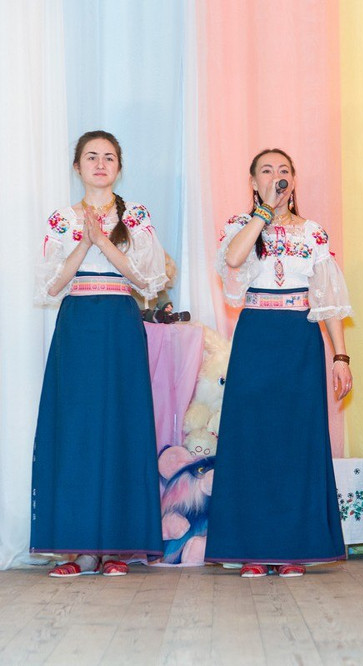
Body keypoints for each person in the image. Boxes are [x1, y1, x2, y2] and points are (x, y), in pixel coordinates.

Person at [205, 148, 352, 578]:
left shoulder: (313, 233)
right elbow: (233, 261)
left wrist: (340, 356)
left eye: (284, 170)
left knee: (296, 443)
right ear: (253, 182)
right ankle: (252, 547)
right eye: (266, 171)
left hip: (299, 339)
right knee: (251, 439)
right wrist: (263, 214)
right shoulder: (240, 226)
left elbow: (328, 301)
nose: (276, 176)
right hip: (255, 337)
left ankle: (292, 548)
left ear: (295, 180)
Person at [32, 130, 167, 577]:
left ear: (119, 166)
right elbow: (51, 283)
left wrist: (105, 241)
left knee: (120, 427)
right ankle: (77, 548)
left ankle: (116, 547)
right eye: (91, 157)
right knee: (76, 429)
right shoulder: (62, 219)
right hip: (78, 324)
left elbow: (149, 279)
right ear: (77, 167)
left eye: (109, 157)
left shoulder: (137, 215)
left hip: (120, 323)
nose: (100, 164)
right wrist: (85, 242)